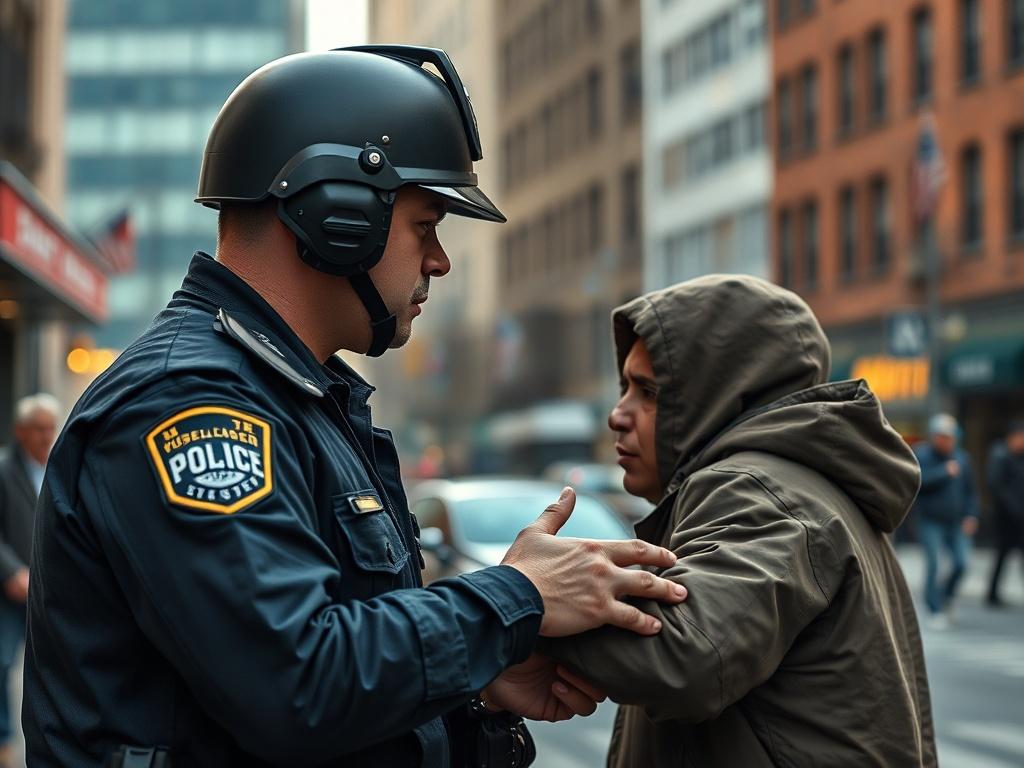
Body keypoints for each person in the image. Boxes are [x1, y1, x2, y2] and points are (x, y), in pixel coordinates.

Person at [23, 48, 687, 768]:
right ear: (336, 214)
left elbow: (323, 698)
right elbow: (296, 685)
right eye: (425, 225)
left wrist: (474, 688)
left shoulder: (296, 397)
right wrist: (516, 597)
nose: (440, 261)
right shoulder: (190, 404)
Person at [534, 275, 937, 767]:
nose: (619, 414)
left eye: (650, 392)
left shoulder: (759, 489)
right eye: (625, 387)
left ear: (720, 396)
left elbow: (688, 653)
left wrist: (518, 606)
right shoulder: (799, 484)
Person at [0, 394, 58, 767]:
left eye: (50, 428)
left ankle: (51, 738)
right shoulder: (4, 470)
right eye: (38, 429)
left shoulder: (59, 465)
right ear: (21, 431)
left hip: (47, 590)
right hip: (9, 589)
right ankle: (4, 738)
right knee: (2, 663)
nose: (46, 436)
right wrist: (11, 572)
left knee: (53, 666)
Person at [913, 413, 979, 627]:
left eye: (950, 437)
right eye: (943, 437)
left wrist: (971, 515)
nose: (947, 441)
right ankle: (933, 608)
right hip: (930, 520)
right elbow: (916, 482)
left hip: (956, 522)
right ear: (934, 437)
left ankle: (945, 596)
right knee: (933, 565)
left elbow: (971, 492)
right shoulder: (922, 455)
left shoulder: (962, 458)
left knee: (962, 563)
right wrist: (944, 472)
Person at [986, 420, 1024, 607]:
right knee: (1002, 555)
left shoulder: (1020, 457)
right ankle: (992, 593)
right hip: (1005, 517)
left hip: (1019, 516)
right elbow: (995, 485)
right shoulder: (1000, 454)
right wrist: (1013, 507)